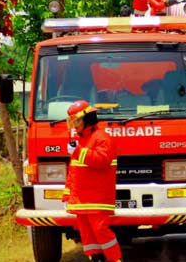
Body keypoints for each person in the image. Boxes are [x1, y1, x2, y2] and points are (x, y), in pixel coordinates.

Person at [62, 100, 121, 262]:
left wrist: (78, 152)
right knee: (87, 235)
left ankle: (115, 259)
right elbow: (74, 172)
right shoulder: (81, 141)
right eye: (71, 121)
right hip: (81, 200)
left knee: (101, 231)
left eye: (76, 121)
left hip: (97, 199)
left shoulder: (102, 138)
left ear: (87, 118)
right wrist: (67, 195)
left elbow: (102, 161)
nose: (74, 125)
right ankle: (95, 259)